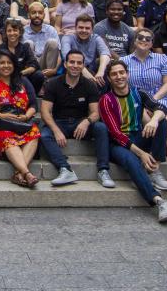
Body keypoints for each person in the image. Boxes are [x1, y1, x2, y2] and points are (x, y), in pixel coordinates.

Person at [99, 60, 167, 223]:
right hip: (118, 144)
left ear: (127, 74)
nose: (119, 76)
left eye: (121, 72)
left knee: (162, 122)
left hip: (138, 135)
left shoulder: (139, 93)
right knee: (131, 159)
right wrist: (141, 154)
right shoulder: (106, 100)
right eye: (114, 74)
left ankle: (154, 169)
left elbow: (161, 108)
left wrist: (153, 120)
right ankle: (159, 201)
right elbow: (116, 133)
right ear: (109, 78)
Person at [39, 49, 114, 188]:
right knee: (44, 135)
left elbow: (96, 112)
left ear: (83, 66)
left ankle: (103, 170)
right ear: (66, 64)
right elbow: (44, 111)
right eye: (72, 62)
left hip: (80, 123)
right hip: (60, 122)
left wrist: (86, 121)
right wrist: (56, 130)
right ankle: (65, 169)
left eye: (79, 63)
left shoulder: (89, 85)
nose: (75, 65)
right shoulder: (53, 83)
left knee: (101, 128)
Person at [0, 48, 41, 188]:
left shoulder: (23, 81)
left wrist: (27, 115)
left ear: (14, 64)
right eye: (2, 63)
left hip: (21, 123)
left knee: (34, 133)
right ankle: (26, 173)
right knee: (8, 137)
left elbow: (34, 104)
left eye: (9, 62)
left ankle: (18, 173)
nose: (6, 66)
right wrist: (1, 116)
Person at [123, 27, 167, 160]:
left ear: (152, 43)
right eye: (140, 37)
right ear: (135, 41)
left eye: (148, 39)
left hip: (161, 95)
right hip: (138, 98)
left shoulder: (161, 58)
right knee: (141, 109)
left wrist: (152, 100)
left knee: (158, 108)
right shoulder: (125, 61)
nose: (144, 40)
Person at [60, 14, 110, 86]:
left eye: (87, 28)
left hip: (93, 70)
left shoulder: (96, 38)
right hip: (73, 69)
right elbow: (66, 56)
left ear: (92, 29)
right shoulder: (68, 37)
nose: (84, 30)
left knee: (106, 64)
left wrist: (100, 72)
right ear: (75, 28)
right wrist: (86, 74)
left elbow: (105, 53)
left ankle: (102, 94)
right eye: (81, 27)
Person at [22, 2, 61, 90]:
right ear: (28, 15)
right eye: (34, 12)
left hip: (47, 65)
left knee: (53, 42)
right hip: (30, 68)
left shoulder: (51, 30)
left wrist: (55, 70)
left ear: (44, 15)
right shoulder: (23, 31)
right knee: (28, 43)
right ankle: (35, 81)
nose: (37, 15)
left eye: (40, 13)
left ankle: (47, 82)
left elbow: (58, 54)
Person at [0, 19, 40, 85]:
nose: (12, 33)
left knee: (39, 75)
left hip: (22, 77)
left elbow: (34, 65)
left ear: (20, 32)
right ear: (6, 33)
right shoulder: (0, 48)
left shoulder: (25, 47)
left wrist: (20, 73)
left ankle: (31, 94)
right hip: (5, 78)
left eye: (15, 30)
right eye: (9, 31)